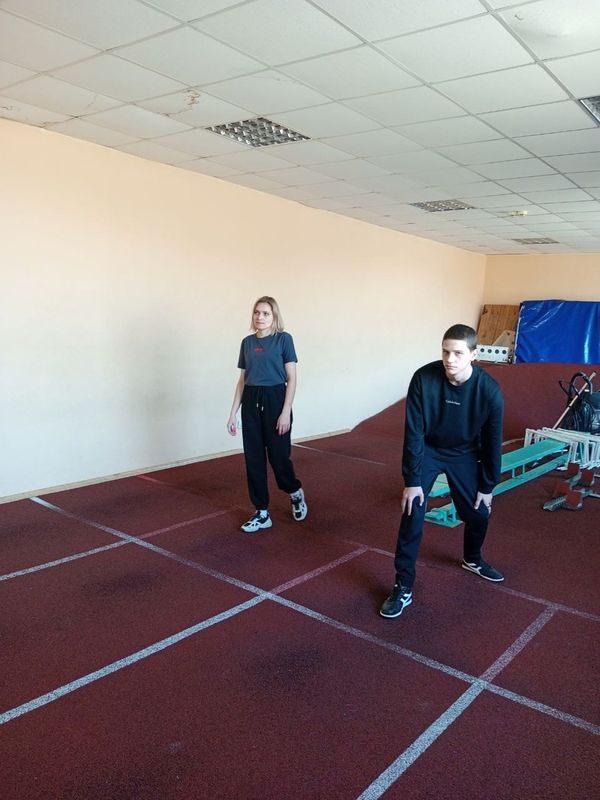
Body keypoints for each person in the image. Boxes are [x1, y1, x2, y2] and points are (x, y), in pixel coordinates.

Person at [380, 324, 504, 619]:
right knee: (413, 512)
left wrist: (488, 486)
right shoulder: (424, 378)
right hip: (430, 451)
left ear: (474, 354)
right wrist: (412, 480)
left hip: (465, 453)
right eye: (445, 352)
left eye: (458, 353)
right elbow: (414, 432)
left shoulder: (489, 391)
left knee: (478, 513)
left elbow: (492, 442)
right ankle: (403, 585)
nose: (450, 359)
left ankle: (472, 559)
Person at [227, 296, 307, 533]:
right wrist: (233, 413)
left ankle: (294, 491)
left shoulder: (284, 339)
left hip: (276, 400)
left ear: (274, 317)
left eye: (265, 313)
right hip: (251, 401)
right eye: (257, 312)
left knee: (279, 458)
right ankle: (261, 512)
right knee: (253, 459)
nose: (260, 317)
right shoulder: (247, 343)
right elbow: (243, 380)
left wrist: (285, 411)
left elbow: (292, 378)